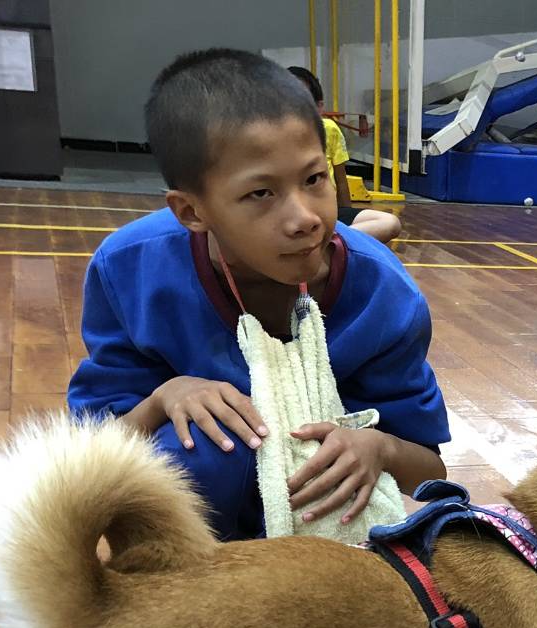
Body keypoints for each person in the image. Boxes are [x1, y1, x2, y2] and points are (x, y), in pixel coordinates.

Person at [68, 48, 448, 541]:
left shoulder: (383, 293)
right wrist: (164, 398)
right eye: (261, 194)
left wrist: (381, 449)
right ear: (191, 212)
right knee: (205, 450)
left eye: (313, 179)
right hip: (191, 550)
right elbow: (86, 456)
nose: (304, 218)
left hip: (332, 545)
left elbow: (432, 470)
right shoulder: (129, 269)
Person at [287, 65, 401, 246]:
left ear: (319, 107)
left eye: (303, 101)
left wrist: (343, 219)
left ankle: (329, 243)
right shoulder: (269, 138)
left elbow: (341, 180)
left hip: (327, 214)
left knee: (390, 223)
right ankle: (323, 244)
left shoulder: (329, 130)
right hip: (290, 216)